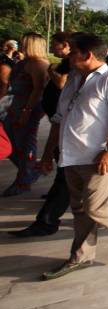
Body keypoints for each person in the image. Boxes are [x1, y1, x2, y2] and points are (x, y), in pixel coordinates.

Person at [39, 33, 108, 280]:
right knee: (80, 210)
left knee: (95, 206)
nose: (67, 54)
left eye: (72, 51)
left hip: (101, 155)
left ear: (87, 54)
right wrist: (49, 152)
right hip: (72, 155)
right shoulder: (74, 79)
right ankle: (81, 255)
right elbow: (61, 117)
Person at [7, 32, 71, 237]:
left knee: (25, 146)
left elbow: (54, 85)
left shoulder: (46, 66)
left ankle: (46, 219)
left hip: (62, 126)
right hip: (58, 123)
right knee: (65, 177)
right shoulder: (61, 66)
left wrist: (26, 110)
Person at [2, 32, 49, 196]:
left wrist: (26, 111)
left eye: (24, 42)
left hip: (27, 110)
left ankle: (24, 179)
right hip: (14, 108)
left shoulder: (38, 64)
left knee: (24, 145)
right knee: (11, 147)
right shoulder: (24, 62)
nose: (20, 45)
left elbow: (38, 90)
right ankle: (28, 173)